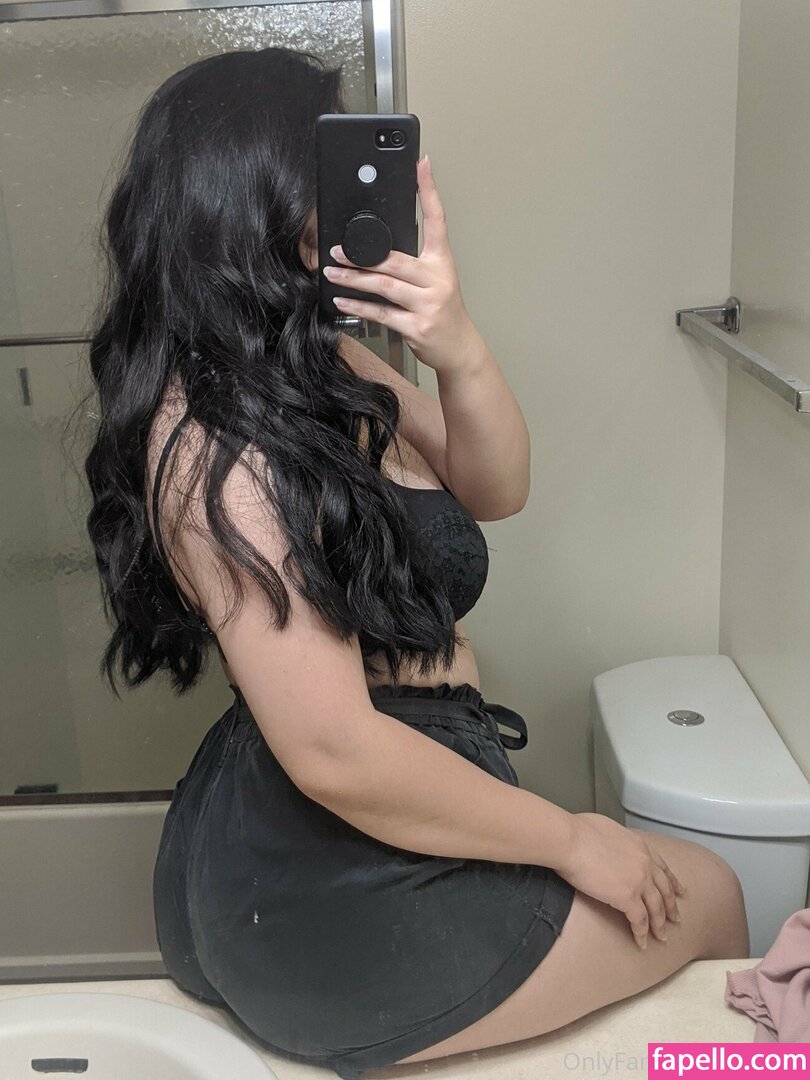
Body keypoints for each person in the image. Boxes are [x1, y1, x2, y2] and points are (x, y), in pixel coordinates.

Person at [84, 46, 749, 1079]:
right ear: (253, 192)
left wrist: (455, 341)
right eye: (323, 168)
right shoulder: (216, 444)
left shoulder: (310, 358)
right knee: (711, 896)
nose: (353, 194)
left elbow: (495, 486)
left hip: (377, 797)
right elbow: (336, 752)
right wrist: (574, 839)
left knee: (696, 896)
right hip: (326, 863)